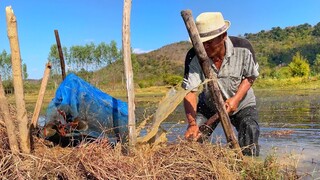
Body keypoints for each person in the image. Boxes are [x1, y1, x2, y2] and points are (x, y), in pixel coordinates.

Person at [181, 12, 260, 156]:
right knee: (194, 139)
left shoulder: (243, 48)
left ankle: (249, 165)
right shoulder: (194, 55)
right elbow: (190, 92)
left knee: (250, 130)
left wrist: (235, 99)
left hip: (242, 103)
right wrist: (192, 124)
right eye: (201, 43)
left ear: (223, 36)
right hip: (209, 105)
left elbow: (250, 77)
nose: (204, 47)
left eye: (209, 42)